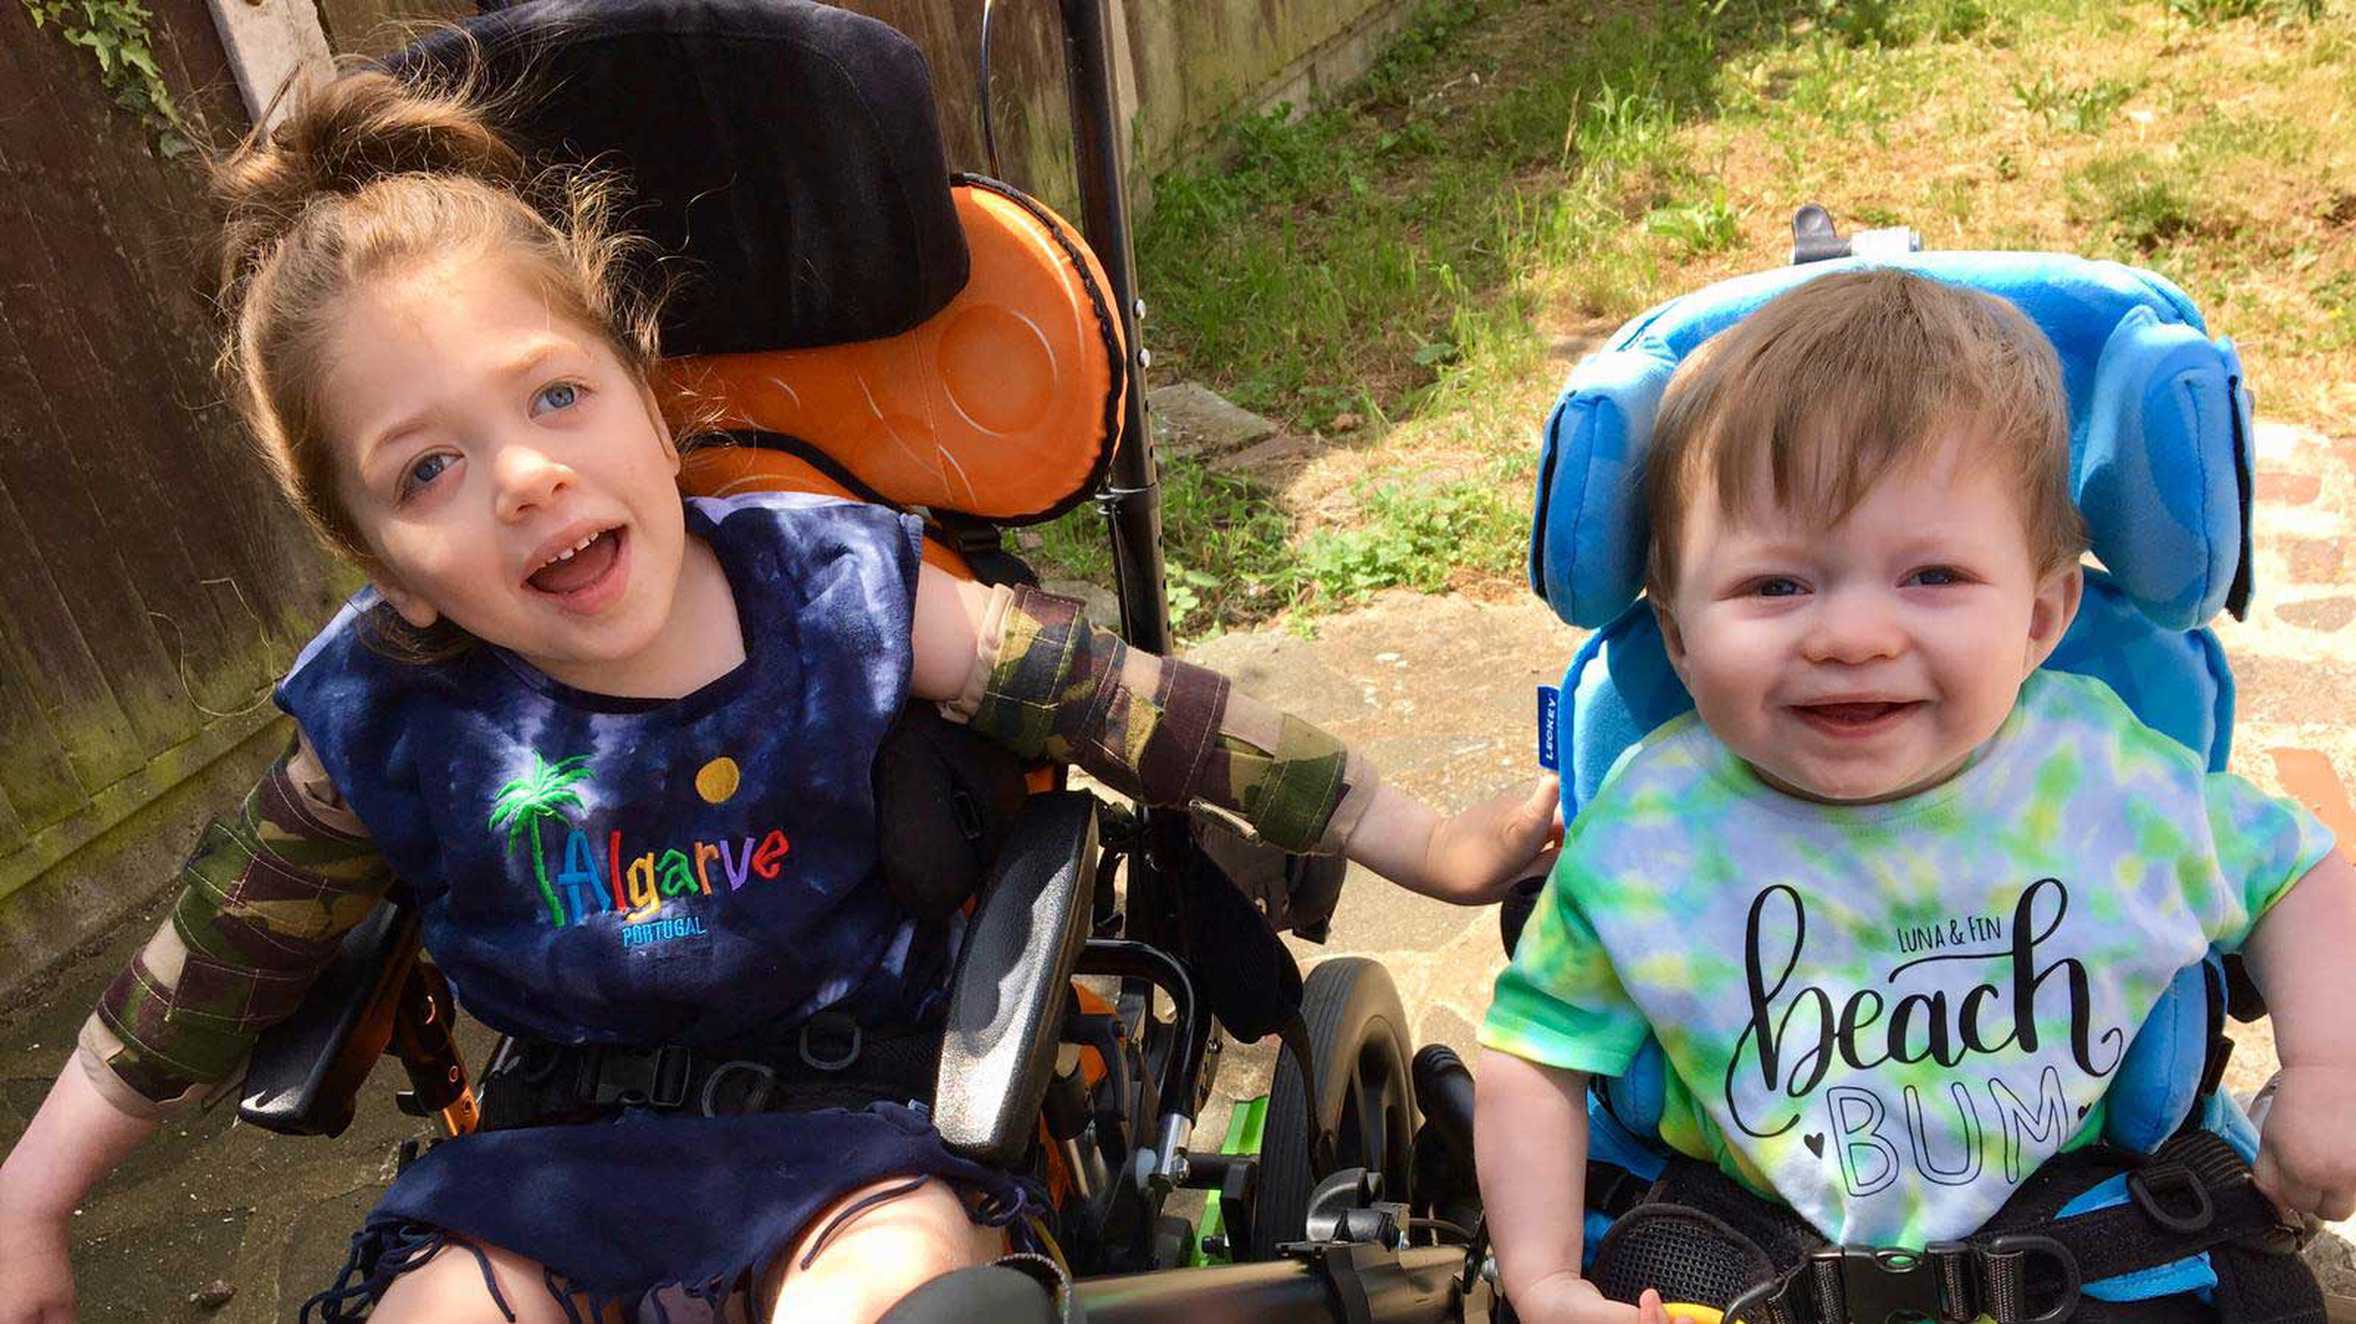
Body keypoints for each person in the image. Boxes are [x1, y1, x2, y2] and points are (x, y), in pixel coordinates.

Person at [0, 66, 1561, 1324]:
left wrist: (1429, 842)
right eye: (430, 468)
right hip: (543, 1171)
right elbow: (196, 972)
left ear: (644, 392)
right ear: (386, 566)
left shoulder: (838, 595)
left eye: (555, 395)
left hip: (853, 1142)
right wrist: (32, 1203)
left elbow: (1145, 710)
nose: (529, 475)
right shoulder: (392, 717)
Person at [1473, 268, 2356, 1324]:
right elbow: (1534, 1050)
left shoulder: (2098, 781)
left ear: (2040, 617)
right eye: (1774, 585)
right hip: (1750, 1246)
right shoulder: (1654, 830)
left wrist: (2329, 1063)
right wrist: (1541, 1278)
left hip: (2074, 1225)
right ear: (1675, 633)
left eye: (1931, 577)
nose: (1852, 636)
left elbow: (2295, 874)